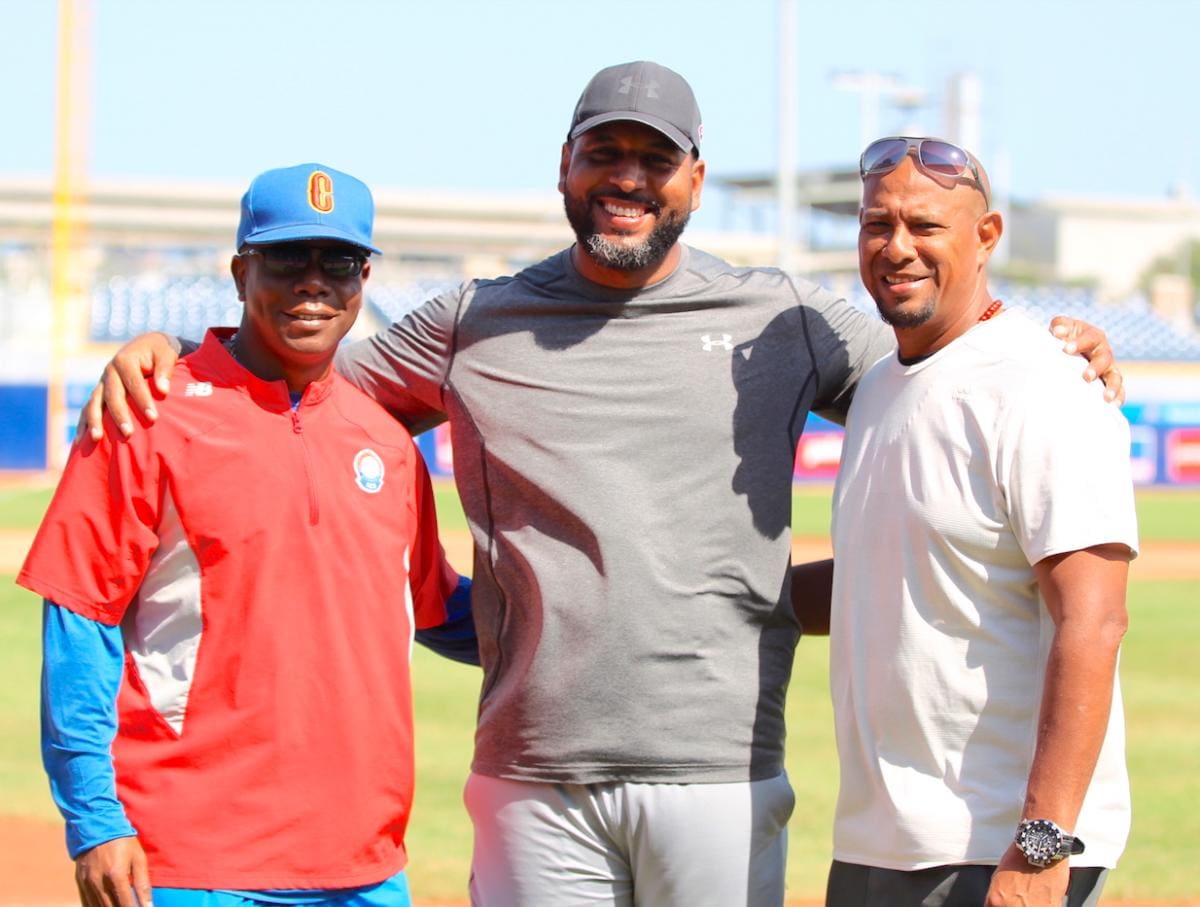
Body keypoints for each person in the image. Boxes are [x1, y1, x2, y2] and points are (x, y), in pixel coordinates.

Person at [83, 65, 1122, 907]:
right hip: (531, 774)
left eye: (654, 159)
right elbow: (292, 369)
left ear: (697, 179)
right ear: (565, 167)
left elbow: (935, 361)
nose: (628, 178)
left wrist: (1051, 347)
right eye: (605, 153)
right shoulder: (471, 322)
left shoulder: (784, 319)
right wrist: (170, 350)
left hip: (721, 770)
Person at [19, 163, 475, 907]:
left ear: (363, 280)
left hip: (364, 862)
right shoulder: (146, 413)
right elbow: (80, 622)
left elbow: (437, 608)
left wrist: (584, 621)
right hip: (192, 860)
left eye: (339, 262)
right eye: (288, 257)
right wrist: (95, 822)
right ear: (240, 271)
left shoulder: (388, 445)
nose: (313, 282)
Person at [814, 137, 1137, 907]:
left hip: (995, 846)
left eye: (925, 226)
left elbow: (1093, 621)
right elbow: (883, 579)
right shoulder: (880, 388)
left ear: (985, 235)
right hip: (878, 841)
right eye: (876, 225)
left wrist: (1040, 846)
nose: (896, 248)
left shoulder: (1042, 385)